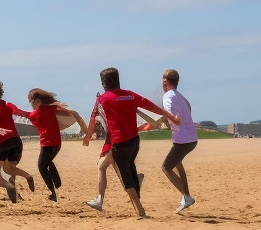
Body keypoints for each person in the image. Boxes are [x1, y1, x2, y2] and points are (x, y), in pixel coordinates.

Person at [90, 67, 180, 218]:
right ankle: (136, 203)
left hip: (119, 143)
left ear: (104, 82)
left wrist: (88, 136)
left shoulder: (103, 99)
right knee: (130, 170)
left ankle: (140, 210)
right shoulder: (130, 95)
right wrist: (171, 117)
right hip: (134, 141)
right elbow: (151, 106)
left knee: (126, 176)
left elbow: (95, 118)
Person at [84, 97, 158, 212]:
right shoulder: (117, 107)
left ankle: (136, 204)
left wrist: (88, 136)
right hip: (114, 141)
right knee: (106, 168)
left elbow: (95, 119)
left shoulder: (107, 107)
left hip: (115, 142)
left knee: (116, 173)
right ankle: (101, 199)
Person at [26, 89, 88, 202]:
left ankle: (53, 193)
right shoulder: (49, 109)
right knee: (47, 162)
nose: (30, 104)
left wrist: (82, 124)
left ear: (38, 101)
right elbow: (71, 113)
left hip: (49, 143)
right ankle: (57, 183)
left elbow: (71, 112)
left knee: (41, 166)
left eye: (31, 101)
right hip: (55, 143)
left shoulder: (49, 109)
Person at [0, 80, 37, 196]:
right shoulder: (8, 106)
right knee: (9, 168)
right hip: (16, 141)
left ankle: (10, 187)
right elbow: (25, 114)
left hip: (1, 143)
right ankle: (24, 179)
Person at [160, 69, 199, 214]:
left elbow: (168, 114)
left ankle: (186, 196)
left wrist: (167, 121)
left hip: (182, 140)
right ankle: (186, 195)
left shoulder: (168, 96)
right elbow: (189, 107)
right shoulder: (180, 96)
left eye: (162, 79)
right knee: (177, 163)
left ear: (165, 81)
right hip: (192, 139)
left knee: (166, 167)